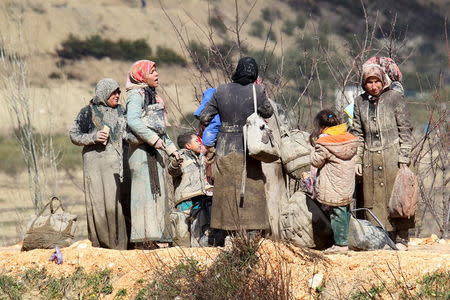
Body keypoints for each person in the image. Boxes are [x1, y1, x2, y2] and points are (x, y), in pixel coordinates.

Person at [199, 57, 273, 239]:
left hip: (225, 147)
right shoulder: (258, 91)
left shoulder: (220, 90)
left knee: (225, 189)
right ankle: (252, 230)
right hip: (250, 147)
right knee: (251, 187)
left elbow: (204, 116)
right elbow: (268, 112)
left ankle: (222, 231)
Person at [352, 64, 414, 246]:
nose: (373, 85)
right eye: (369, 82)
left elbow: (405, 129)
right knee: (373, 200)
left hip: (393, 157)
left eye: (376, 81)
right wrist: (358, 159)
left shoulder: (395, 98)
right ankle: (379, 239)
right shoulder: (359, 102)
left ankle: (402, 238)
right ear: (364, 84)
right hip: (370, 158)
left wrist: (404, 157)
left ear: (383, 80)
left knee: (399, 198)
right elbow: (358, 133)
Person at [125, 60, 180, 246]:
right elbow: (132, 120)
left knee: (159, 193)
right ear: (141, 75)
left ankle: (157, 236)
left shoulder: (154, 97)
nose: (156, 75)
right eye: (152, 72)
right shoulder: (135, 95)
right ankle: (144, 238)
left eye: (156, 71)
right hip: (140, 152)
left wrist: (172, 149)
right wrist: (153, 139)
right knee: (144, 194)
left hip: (155, 152)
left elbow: (160, 130)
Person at [69, 78, 128, 250]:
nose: (117, 95)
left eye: (118, 92)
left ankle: (121, 245)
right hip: (95, 165)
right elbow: (74, 135)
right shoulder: (87, 112)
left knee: (117, 203)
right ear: (103, 93)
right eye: (113, 92)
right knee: (98, 203)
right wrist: (93, 138)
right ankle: (101, 245)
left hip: (117, 165)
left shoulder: (122, 111)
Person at [310, 109, 358, 251]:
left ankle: (340, 244)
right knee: (344, 211)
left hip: (333, 183)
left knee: (336, 213)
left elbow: (316, 161)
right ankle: (344, 240)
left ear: (321, 126)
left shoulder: (324, 142)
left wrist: (313, 148)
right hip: (347, 182)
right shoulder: (349, 137)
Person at [168, 132, 214, 247]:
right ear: (188, 146)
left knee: (199, 229)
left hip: (199, 198)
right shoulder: (179, 156)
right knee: (182, 230)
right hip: (185, 200)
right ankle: (182, 254)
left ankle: (197, 253)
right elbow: (172, 170)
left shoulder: (201, 157)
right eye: (196, 141)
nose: (200, 143)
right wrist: (175, 164)